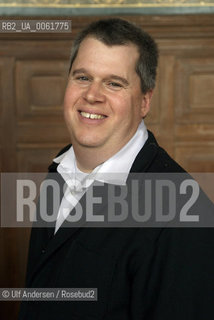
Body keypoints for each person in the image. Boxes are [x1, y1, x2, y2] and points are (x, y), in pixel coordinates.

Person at [19, 18, 214, 320]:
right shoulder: (61, 167)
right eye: (82, 77)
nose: (93, 95)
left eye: (114, 83)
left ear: (145, 101)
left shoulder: (184, 216)